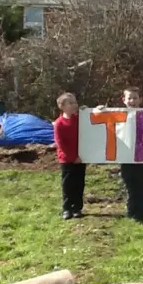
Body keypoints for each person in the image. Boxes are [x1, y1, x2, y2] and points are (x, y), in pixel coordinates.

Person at [117, 87, 143, 221]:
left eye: (135, 98)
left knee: (142, 184)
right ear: (124, 100)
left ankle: (141, 212)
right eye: (129, 98)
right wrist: (100, 110)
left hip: (141, 156)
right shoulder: (117, 115)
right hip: (125, 156)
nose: (132, 101)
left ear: (140, 100)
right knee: (130, 184)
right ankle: (132, 210)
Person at [54, 92, 86, 220]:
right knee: (68, 185)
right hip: (67, 160)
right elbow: (61, 143)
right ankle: (67, 208)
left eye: (75, 102)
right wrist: (73, 157)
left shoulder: (80, 120)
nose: (74, 105)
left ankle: (77, 208)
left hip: (81, 158)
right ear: (62, 106)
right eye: (70, 103)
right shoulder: (59, 123)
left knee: (79, 184)